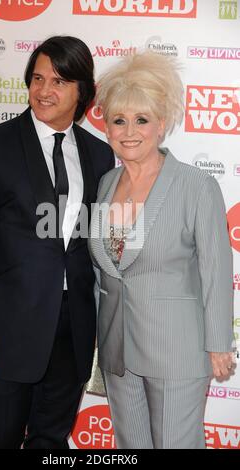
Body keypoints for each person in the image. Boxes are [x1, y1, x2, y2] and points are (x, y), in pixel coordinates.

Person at [0, 35, 114, 449]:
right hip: (4, 334)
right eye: (38, 78)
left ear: (83, 92)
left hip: (73, 332)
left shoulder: (99, 154)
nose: (44, 91)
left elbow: (93, 242)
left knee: (51, 442)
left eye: (59, 81)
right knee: (0, 439)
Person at [88, 51, 235, 449]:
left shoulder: (195, 186)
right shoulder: (105, 184)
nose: (129, 131)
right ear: (107, 127)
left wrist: (219, 343)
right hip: (118, 351)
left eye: (142, 119)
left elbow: (217, 271)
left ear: (162, 124)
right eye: (119, 120)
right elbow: (108, 271)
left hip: (177, 349)